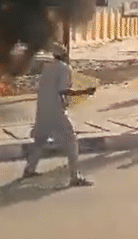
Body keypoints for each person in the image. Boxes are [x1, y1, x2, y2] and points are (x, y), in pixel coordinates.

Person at [22, 42, 96, 187]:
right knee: (72, 141)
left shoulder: (47, 67)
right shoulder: (64, 68)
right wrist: (85, 92)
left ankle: (29, 170)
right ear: (64, 55)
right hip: (56, 111)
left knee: (40, 141)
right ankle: (75, 177)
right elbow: (63, 91)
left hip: (42, 109)